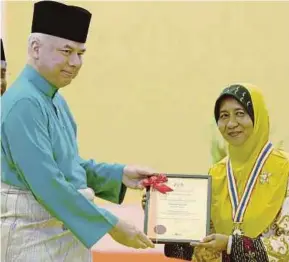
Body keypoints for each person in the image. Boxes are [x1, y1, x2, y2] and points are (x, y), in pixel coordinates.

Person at [1, 1, 156, 262]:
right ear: (35, 48)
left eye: (81, 53)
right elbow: (48, 184)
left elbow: (69, 165)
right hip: (31, 241)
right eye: (66, 51)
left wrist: (120, 175)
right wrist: (112, 225)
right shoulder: (23, 103)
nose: (74, 62)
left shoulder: (55, 100)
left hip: (62, 236)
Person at [142, 83, 289, 261]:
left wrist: (230, 244)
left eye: (240, 114)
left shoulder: (284, 169)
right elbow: (203, 243)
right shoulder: (217, 173)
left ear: (257, 117)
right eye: (224, 116)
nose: (231, 123)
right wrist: (162, 213)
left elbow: (285, 245)